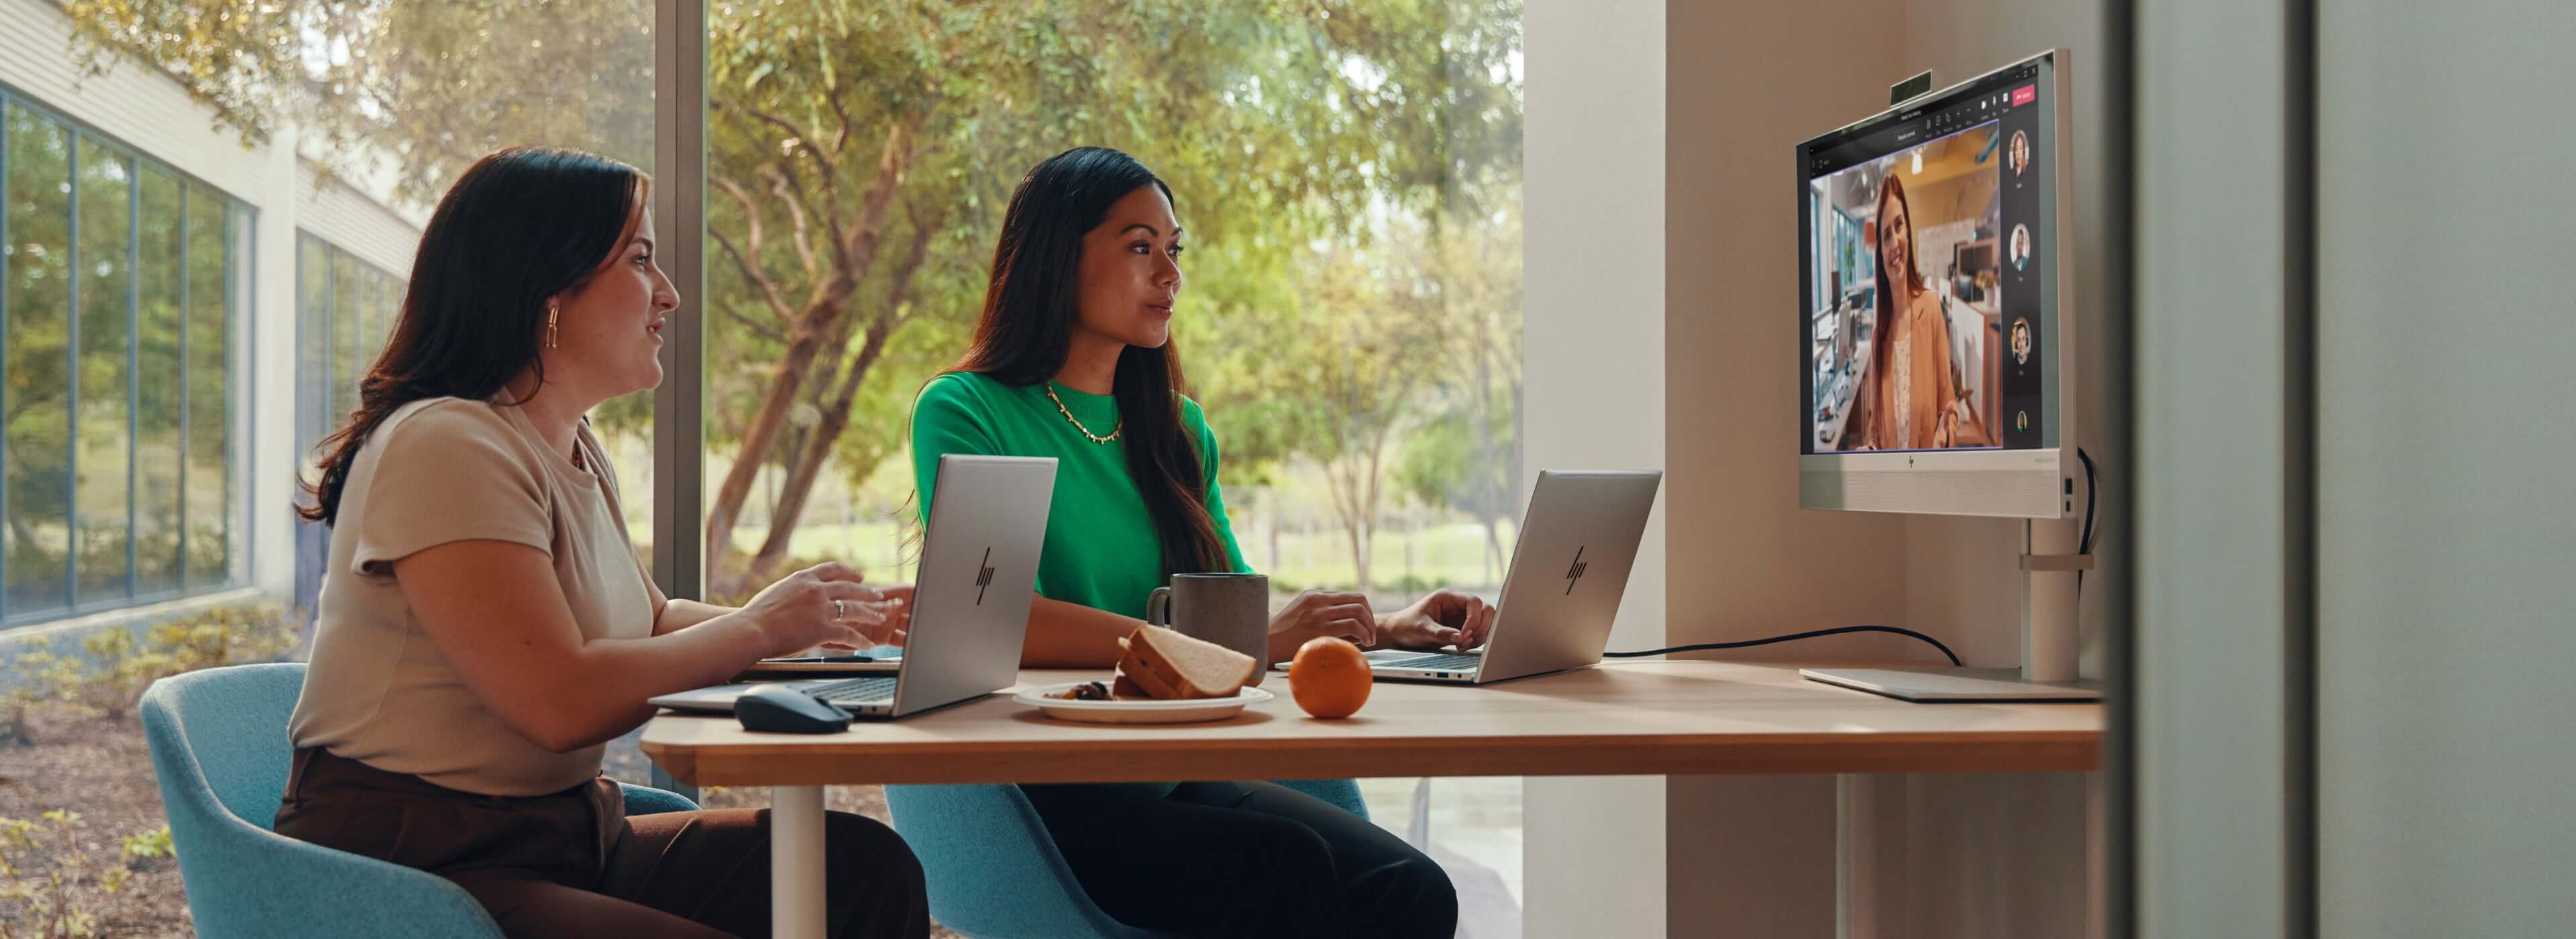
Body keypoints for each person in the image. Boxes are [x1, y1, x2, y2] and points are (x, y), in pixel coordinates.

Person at [277, 147, 929, 939]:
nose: (671, 294)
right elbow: (561, 700)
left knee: (861, 870)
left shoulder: (570, 441)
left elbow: (650, 622)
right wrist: (759, 630)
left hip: (565, 836)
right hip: (412, 868)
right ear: (548, 287)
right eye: (642, 260)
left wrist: (808, 626)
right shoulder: (445, 443)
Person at [904, 146, 1470, 938]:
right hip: (1043, 785)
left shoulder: (1176, 428)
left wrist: (1382, 625)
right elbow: (1006, 618)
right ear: (1056, 256)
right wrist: (1232, 641)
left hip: (1167, 772)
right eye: (1140, 246)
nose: (1170, 273)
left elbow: (1233, 605)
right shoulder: (968, 410)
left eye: (1174, 249)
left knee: (1412, 887)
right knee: (1288, 872)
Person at [1861, 172, 1976, 450]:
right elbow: (1876, 433)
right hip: (1893, 489)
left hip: (1929, 485)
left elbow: (1950, 407)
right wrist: (1869, 451)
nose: (1895, 242)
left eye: (1899, 226)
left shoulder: (1931, 308)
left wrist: (1944, 433)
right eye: (1886, 235)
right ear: (1881, 254)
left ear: (1909, 232)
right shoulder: (1879, 339)